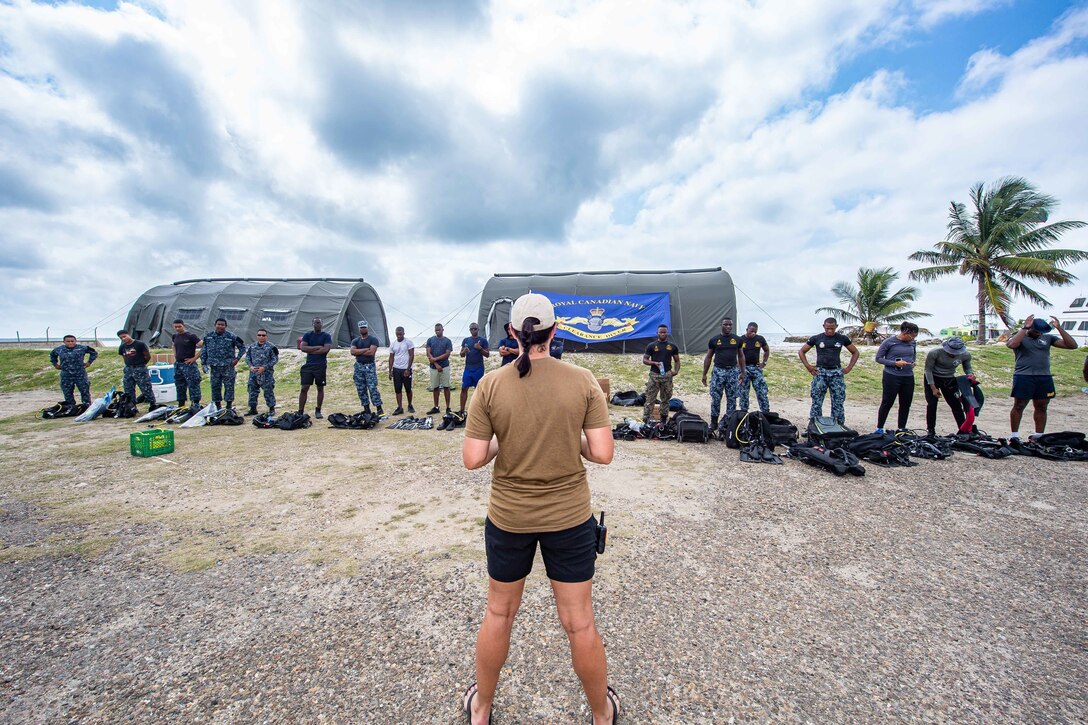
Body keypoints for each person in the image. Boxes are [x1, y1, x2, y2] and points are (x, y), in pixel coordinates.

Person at [461, 293, 618, 725]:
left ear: (512, 332)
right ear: (556, 331)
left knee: (499, 614)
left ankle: (482, 710)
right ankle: (602, 715)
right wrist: (572, 440)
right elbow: (602, 453)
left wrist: (505, 441)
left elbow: (474, 458)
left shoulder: (490, 385)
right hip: (569, 520)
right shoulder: (582, 379)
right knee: (579, 623)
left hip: (509, 518)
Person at [1006, 314, 1078, 439]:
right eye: (1037, 331)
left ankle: (1039, 436)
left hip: (1044, 377)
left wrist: (1060, 328)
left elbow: (1072, 345)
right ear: (1030, 328)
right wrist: (1024, 328)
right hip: (1024, 376)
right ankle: (1014, 435)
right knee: (1019, 405)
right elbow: (1012, 344)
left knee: (1042, 406)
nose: (1039, 333)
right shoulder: (1021, 336)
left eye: (1041, 331)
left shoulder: (1048, 338)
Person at [798, 318, 859, 425]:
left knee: (838, 402)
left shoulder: (842, 338)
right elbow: (802, 351)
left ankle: (838, 426)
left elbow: (855, 352)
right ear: (823, 326)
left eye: (832, 328)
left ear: (836, 326)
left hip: (836, 373)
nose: (830, 331)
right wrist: (808, 366)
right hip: (820, 372)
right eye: (827, 328)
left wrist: (849, 368)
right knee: (816, 402)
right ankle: (814, 426)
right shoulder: (817, 338)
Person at [873, 322, 919, 434]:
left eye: (914, 337)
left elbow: (913, 355)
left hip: (908, 376)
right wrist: (895, 363)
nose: (912, 338)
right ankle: (879, 427)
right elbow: (878, 358)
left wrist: (912, 363)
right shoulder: (889, 342)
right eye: (911, 336)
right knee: (887, 402)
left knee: (905, 403)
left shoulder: (912, 343)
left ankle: (901, 427)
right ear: (905, 332)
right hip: (892, 376)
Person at [701, 317, 746, 430]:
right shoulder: (714, 340)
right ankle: (714, 422)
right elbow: (708, 357)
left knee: (732, 398)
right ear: (721, 325)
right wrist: (704, 374)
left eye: (730, 325)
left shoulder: (737, 340)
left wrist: (743, 372)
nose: (728, 327)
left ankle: (729, 422)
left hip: (732, 372)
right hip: (718, 371)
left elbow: (741, 356)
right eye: (726, 324)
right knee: (716, 398)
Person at [923, 337, 973, 436]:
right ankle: (931, 430)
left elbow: (967, 367)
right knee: (932, 404)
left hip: (949, 379)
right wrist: (933, 388)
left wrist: (970, 375)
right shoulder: (935, 352)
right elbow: (928, 370)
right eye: (951, 351)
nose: (953, 354)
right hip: (933, 378)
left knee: (956, 405)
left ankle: (963, 429)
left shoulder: (966, 355)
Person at [200, 318, 246, 410]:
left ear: (225, 326)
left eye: (222, 325)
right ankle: (217, 406)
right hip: (214, 367)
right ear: (215, 325)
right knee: (215, 386)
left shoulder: (231, 336)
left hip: (228, 366)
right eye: (218, 324)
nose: (220, 326)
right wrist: (203, 363)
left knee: (229, 387)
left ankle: (228, 406)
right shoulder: (208, 336)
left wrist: (237, 358)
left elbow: (243, 347)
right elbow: (204, 350)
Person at [643, 324, 681, 424]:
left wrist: (676, 371)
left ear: (667, 333)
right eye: (661, 332)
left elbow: (677, 360)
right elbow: (645, 360)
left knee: (665, 399)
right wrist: (654, 363)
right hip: (654, 375)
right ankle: (646, 420)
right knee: (650, 399)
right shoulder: (651, 346)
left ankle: (663, 420)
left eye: (664, 332)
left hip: (667, 376)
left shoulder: (672, 346)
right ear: (657, 333)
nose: (663, 334)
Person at [298, 317, 332, 419]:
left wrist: (310, 350)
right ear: (312, 324)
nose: (317, 324)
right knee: (304, 388)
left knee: (320, 388)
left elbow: (326, 350)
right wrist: (318, 347)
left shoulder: (326, 336)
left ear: (322, 324)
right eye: (316, 323)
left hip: (320, 365)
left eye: (319, 323)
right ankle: (300, 411)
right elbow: (303, 348)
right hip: (309, 365)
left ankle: (318, 410)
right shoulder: (307, 335)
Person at [50, 335, 97, 406]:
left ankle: (86, 406)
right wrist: (55, 364)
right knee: (67, 392)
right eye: (68, 341)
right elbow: (52, 355)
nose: (70, 343)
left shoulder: (82, 348)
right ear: (64, 342)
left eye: (72, 341)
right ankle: (70, 406)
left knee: (84, 391)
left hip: (80, 374)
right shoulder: (59, 349)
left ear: (75, 341)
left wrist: (89, 362)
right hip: (66, 374)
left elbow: (94, 353)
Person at [350, 320, 383, 415]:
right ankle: (366, 409)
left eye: (364, 327)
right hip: (359, 366)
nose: (363, 329)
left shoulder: (373, 339)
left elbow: (371, 352)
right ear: (359, 329)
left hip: (369, 366)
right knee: (361, 388)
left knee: (372, 388)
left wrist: (358, 351)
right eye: (361, 327)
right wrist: (365, 349)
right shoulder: (355, 340)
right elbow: (352, 352)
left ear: (367, 328)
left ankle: (379, 409)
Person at [117, 330, 155, 411]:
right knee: (128, 389)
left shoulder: (140, 344)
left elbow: (147, 356)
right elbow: (124, 358)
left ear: (128, 335)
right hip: (128, 369)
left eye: (124, 336)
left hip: (140, 368)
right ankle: (131, 406)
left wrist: (141, 364)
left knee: (145, 388)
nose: (123, 339)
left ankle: (153, 405)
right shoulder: (122, 347)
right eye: (121, 338)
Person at [458, 323, 490, 414]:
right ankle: (462, 410)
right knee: (464, 388)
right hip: (468, 368)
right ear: (469, 330)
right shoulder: (466, 340)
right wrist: (464, 351)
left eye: (475, 329)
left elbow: (487, 355)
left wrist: (480, 348)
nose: (473, 331)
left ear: (478, 329)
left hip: (478, 368)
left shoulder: (483, 340)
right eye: (471, 329)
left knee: (478, 390)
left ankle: (479, 411)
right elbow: (461, 355)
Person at [738, 322, 770, 414]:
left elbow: (766, 350)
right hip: (744, 369)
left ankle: (766, 413)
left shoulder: (760, 339)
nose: (753, 333)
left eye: (755, 331)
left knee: (762, 391)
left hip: (756, 369)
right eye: (752, 331)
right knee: (744, 393)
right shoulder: (741, 340)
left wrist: (764, 363)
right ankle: (743, 413)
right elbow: (736, 354)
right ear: (747, 330)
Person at [245, 328, 278, 416]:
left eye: (263, 335)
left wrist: (264, 367)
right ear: (257, 336)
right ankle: (253, 409)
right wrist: (250, 366)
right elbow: (247, 357)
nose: (261, 337)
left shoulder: (271, 347)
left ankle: (271, 409)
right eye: (259, 335)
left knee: (268, 391)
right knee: (252, 391)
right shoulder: (252, 346)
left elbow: (275, 359)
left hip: (266, 374)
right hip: (254, 373)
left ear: (266, 336)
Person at [170, 320, 203, 408]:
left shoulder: (191, 336)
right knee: (179, 384)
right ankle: (181, 404)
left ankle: (195, 403)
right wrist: (175, 355)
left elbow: (204, 346)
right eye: (175, 327)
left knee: (193, 383)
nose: (177, 328)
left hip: (188, 364)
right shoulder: (175, 336)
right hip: (178, 364)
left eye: (179, 326)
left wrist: (194, 358)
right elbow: (173, 345)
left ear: (184, 325)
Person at [425, 323, 454, 415]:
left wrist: (435, 359)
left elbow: (447, 354)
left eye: (439, 330)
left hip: (445, 366)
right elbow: (428, 353)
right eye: (436, 330)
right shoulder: (430, 340)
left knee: (446, 387)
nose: (438, 331)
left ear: (443, 330)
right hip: (434, 367)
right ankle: (436, 406)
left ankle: (448, 407)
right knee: (435, 387)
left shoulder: (447, 341)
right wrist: (436, 364)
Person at [387, 326, 415, 414]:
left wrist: (408, 369)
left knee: (408, 388)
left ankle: (410, 405)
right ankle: (399, 407)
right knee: (398, 389)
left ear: (403, 333)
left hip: (406, 369)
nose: (399, 335)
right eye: (397, 333)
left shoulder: (408, 342)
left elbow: (411, 355)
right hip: (396, 369)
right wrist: (390, 370)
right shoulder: (393, 344)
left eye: (400, 333)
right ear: (395, 333)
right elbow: (391, 357)